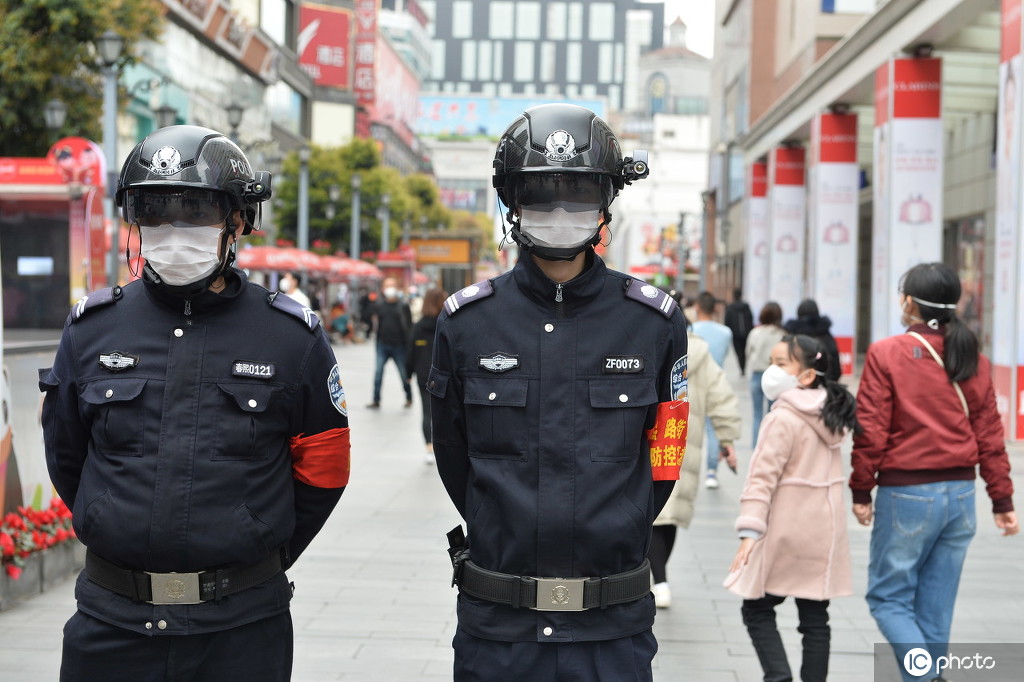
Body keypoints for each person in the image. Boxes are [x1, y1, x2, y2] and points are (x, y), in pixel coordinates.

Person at [38, 125, 351, 681]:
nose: (172, 232)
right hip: (112, 623)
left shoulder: (291, 337)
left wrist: (253, 545)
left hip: (241, 630)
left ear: (236, 222)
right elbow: (66, 454)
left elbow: (325, 469)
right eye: (154, 215)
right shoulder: (92, 329)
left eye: (195, 213)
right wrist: (110, 520)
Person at [429, 103, 686, 682]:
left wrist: (621, 523)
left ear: (607, 202)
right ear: (512, 203)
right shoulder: (466, 322)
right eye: (541, 194)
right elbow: (451, 452)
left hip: (611, 629)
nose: (560, 211)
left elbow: (665, 455)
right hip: (498, 627)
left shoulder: (655, 321)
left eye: (580, 192)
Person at [850, 262, 1018, 682]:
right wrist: (1002, 499)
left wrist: (860, 490)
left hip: (908, 494)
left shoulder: (887, 353)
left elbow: (872, 430)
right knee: (935, 610)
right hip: (961, 497)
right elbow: (989, 433)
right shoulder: (971, 357)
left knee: (888, 599)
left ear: (909, 302)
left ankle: (925, 677)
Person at [725, 334, 859, 682]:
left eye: (781, 364)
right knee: (815, 619)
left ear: (806, 374)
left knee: (756, 608)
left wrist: (749, 532)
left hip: (785, 530)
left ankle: (779, 677)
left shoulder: (781, 417)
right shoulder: (832, 414)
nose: (771, 371)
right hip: (824, 532)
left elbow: (761, 477)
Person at [650, 327, 740, 609]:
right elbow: (721, 396)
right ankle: (659, 578)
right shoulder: (701, 354)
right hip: (684, 443)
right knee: (671, 515)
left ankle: (659, 580)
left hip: (649, 439)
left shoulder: (648, 339)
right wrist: (726, 436)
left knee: (653, 514)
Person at [691, 291, 733, 489]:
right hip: (717, 383)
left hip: (694, 383)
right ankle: (712, 471)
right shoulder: (726, 332)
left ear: (697, 307)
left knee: (691, 427)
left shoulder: (691, 330)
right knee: (713, 427)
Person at [406, 287, 447, 464]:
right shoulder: (447, 323)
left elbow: (410, 353)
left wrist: (407, 374)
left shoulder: (418, 327)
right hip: (445, 375)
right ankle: (444, 448)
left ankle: (429, 448)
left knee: (426, 412)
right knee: (446, 412)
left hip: (424, 375)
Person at [366, 277, 413, 408]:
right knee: (378, 373)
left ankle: (409, 397)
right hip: (383, 344)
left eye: (392, 285)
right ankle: (376, 399)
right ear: (383, 289)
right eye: (387, 286)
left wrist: (409, 345)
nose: (390, 289)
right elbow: (371, 319)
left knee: (404, 373)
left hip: (399, 345)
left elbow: (409, 326)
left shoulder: (403, 305)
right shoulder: (379, 305)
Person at [745, 302, 786, 447]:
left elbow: (748, 353)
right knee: (773, 413)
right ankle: (770, 445)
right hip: (775, 376)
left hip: (757, 375)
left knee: (757, 414)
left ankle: (756, 446)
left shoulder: (755, 332)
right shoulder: (783, 335)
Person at [783, 299, 841, 381]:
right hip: (824, 383)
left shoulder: (793, 337)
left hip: (797, 383)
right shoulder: (825, 333)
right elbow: (835, 365)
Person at [724, 288, 754, 375]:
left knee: (738, 352)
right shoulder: (746, 307)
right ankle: (743, 367)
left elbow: (727, 321)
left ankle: (742, 368)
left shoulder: (730, 308)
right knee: (744, 351)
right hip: (746, 333)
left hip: (735, 334)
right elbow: (750, 319)